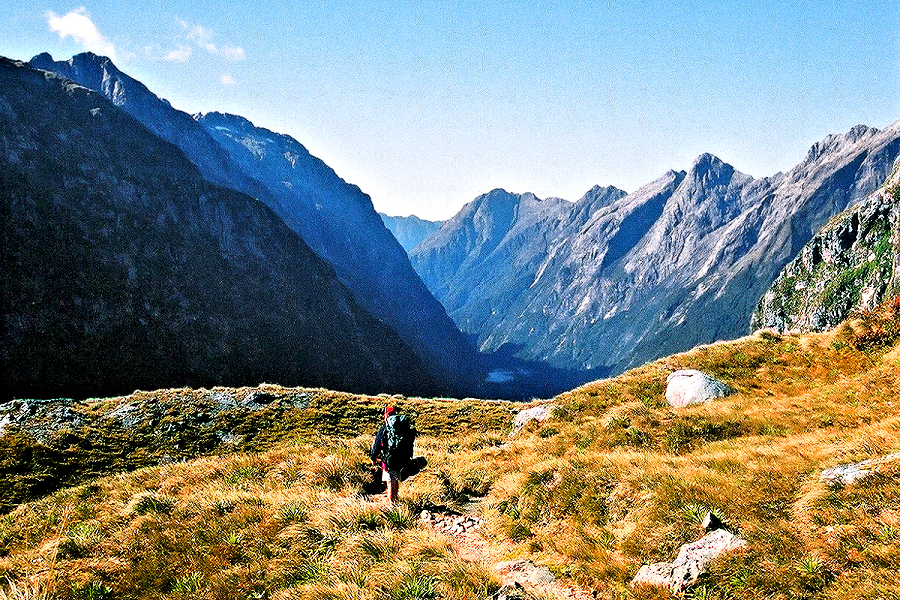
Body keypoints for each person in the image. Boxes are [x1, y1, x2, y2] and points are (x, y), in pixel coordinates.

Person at [370, 405, 414, 504]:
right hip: (402, 457)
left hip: (389, 457)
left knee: (390, 481)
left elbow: (377, 443)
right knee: (395, 478)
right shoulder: (403, 427)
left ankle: (392, 504)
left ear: (386, 415)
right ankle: (395, 499)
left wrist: (373, 457)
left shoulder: (385, 428)